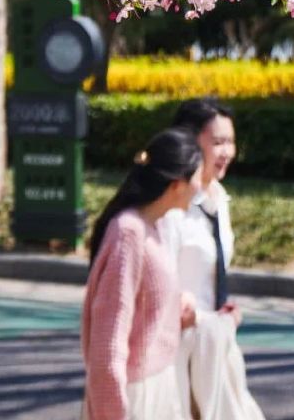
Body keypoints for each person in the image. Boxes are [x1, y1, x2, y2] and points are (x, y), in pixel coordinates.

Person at [82, 127, 204, 420]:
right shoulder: (128, 233)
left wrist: (178, 304)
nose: (201, 187)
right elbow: (108, 340)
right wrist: (112, 411)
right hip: (134, 397)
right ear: (177, 184)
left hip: (159, 384)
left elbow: (145, 302)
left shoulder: (154, 226)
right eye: (198, 177)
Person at [160, 98, 265, 420]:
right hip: (174, 352)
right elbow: (160, 283)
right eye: (217, 142)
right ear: (191, 143)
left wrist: (223, 312)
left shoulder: (219, 199)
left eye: (231, 142)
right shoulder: (172, 206)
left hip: (215, 345)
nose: (227, 152)